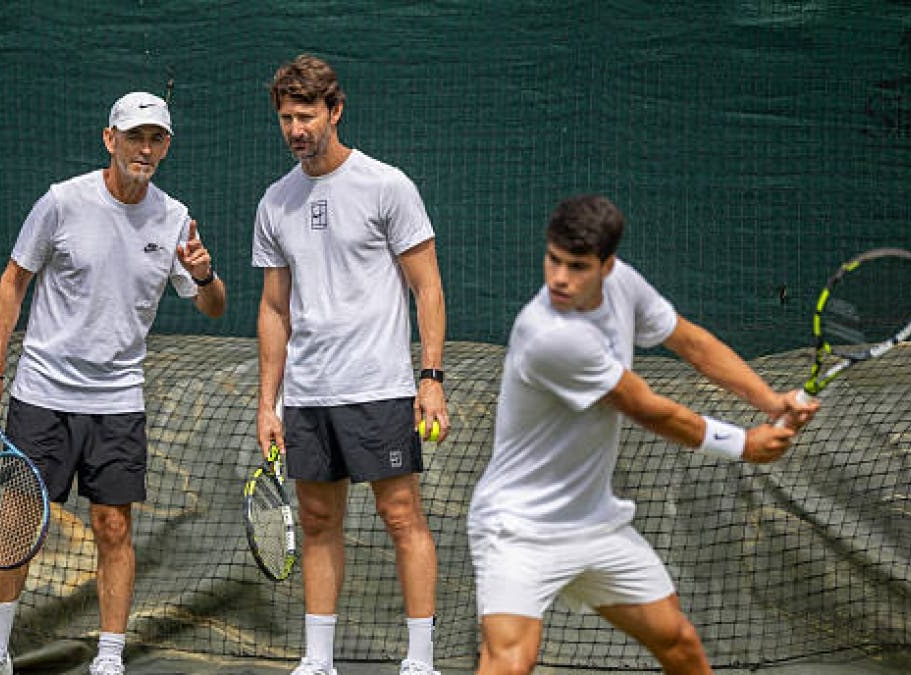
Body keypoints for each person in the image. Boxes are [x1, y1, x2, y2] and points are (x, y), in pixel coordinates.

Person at [468, 195, 820, 675]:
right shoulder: (548, 334)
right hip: (518, 527)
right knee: (510, 663)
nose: (559, 278)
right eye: (553, 260)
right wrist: (743, 444)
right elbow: (648, 409)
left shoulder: (624, 285)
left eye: (577, 266)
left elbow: (693, 343)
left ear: (607, 265)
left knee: (678, 642)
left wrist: (770, 400)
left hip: (595, 522)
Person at [0, 91, 227, 675]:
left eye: (156, 139)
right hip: (44, 394)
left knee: (113, 526)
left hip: (118, 401)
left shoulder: (174, 218)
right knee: (18, 522)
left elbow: (213, 307)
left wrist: (206, 274)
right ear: (110, 140)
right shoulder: (62, 202)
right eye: (134, 137)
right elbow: (13, 282)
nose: (145, 149)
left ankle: (109, 658)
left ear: (166, 147)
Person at [252, 54, 449, 675]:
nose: (296, 129)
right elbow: (274, 309)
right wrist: (268, 403)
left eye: (306, 116)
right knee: (316, 520)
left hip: (379, 386)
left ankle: (420, 661)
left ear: (335, 111)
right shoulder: (274, 202)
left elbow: (427, 287)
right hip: (308, 395)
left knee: (401, 515)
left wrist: (431, 378)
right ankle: (318, 661)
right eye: (286, 118)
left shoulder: (387, 186)